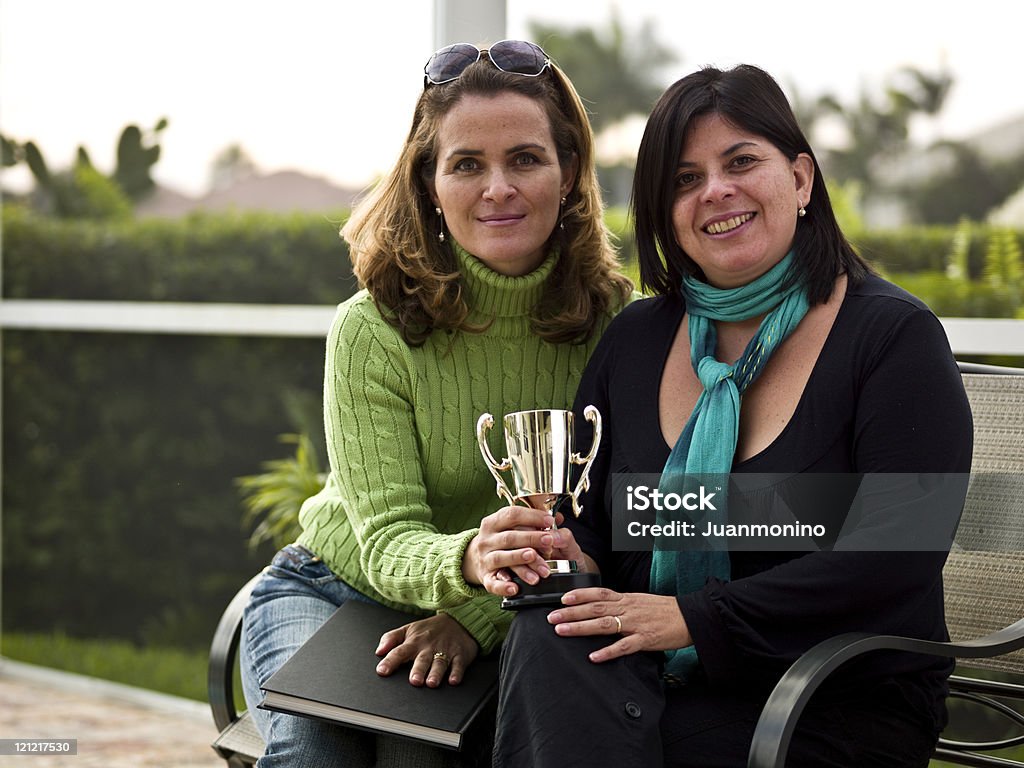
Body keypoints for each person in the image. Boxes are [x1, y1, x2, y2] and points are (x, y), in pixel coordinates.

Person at [489, 64, 973, 768]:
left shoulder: (891, 337)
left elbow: (896, 552)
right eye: (684, 179)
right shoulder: (635, 341)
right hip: (649, 678)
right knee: (545, 632)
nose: (715, 190)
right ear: (664, 212)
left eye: (741, 161)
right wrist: (563, 552)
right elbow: (590, 520)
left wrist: (694, 618)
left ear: (801, 180)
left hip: (827, 698)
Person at [238, 40, 633, 767]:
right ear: (429, 183)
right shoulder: (371, 328)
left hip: (503, 610)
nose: (498, 188)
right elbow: (388, 539)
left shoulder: (614, 322)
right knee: (313, 752)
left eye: (525, 158)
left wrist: (476, 618)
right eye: (467, 164)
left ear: (569, 171)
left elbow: (599, 523)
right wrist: (471, 562)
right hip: (332, 590)